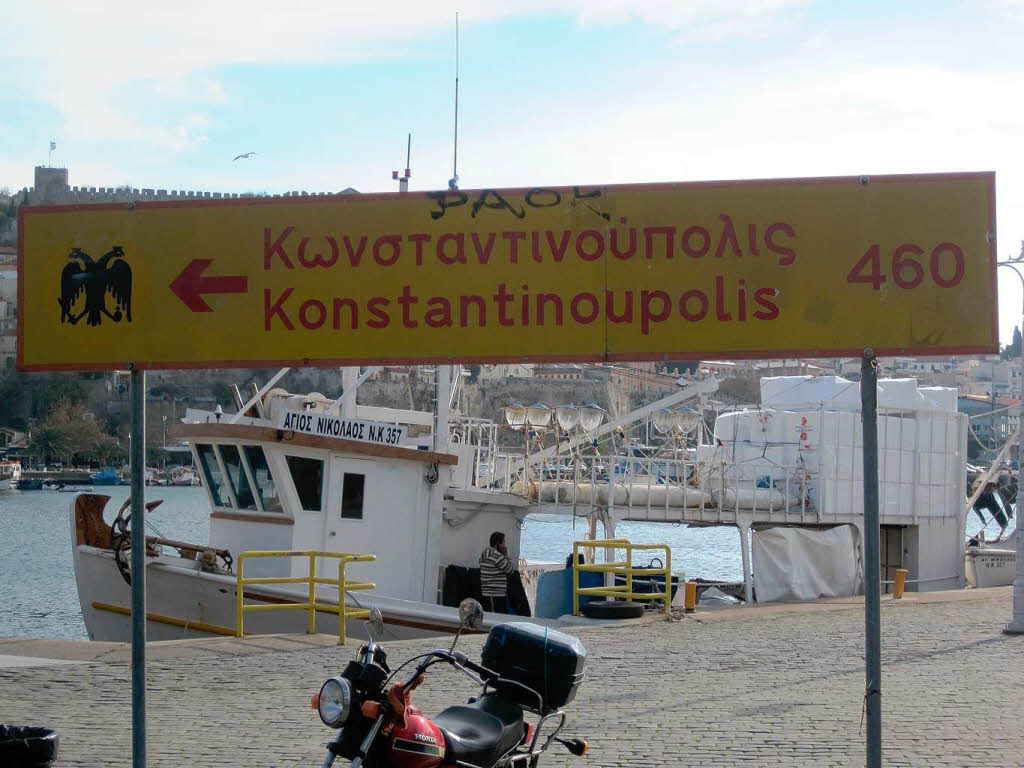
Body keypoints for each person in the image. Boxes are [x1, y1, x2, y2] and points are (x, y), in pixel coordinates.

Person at [479, 531, 514, 613]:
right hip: (497, 595)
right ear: (499, 544)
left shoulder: (484, 555)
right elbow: (510, 570)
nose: (505, 545)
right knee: (499, 618)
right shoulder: (497, 556)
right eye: (504, 542)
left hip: (486, 593)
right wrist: (505, 554)